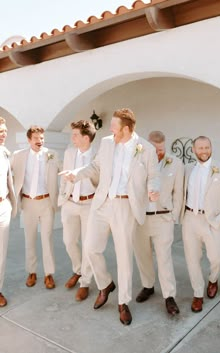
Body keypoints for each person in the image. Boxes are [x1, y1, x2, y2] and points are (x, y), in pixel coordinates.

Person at [60, 108, 160, 325]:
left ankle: (123, 302)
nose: (111, 129)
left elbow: (153, 176)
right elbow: (95, 166)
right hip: (102, 202)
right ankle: (105, 284)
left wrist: (153, 189)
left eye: (115, 126)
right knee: (91, 248)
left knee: (124, 256)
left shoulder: (146, 149)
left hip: (125, 205)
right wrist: (76, 174)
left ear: (126, 128)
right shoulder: (106, 143)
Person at [181, 136, 220, 312]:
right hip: (190, 219)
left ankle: (213, 279)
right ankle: (197, 294)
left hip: (212, 221)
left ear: (211, 148)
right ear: (194, 150)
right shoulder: (187, 169)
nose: (204, 151)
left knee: (218, 257)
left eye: (207, 147)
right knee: (192, 258)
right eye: (200, 148)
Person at [134, 131, 184, 315]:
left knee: (164, 258)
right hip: (140, 218)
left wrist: (173, 216)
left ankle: (169, 296)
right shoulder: (138, 161)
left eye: (161, 149)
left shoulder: (175, 163)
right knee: (142, 255)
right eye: (155, 150)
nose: (158, 153)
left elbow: (179, 193)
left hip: (164, 218)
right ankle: (148, 286)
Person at [11, 126, 61, 289]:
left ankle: (49, 274)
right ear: (29, 140)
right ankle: (32, 272)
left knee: (47, 239)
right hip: (28, 202)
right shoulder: (18, 156)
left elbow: (65, 172)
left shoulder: (52, 155)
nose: (40, 141)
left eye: (42, 138)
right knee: (30, 239)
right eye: (36, 138)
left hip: (46, 202)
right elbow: (5, 172)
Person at [58, 120, 98, 301]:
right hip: (70, 203)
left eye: (75, 134)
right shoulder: (69, 153)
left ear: (86, 137)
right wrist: (63, 197)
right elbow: (64, 178)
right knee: (68, 241)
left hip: (90, 205)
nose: (72, 138)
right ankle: (78, 270)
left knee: (88, 245)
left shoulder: (98, 155)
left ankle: (85, 282)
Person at [0, 117, 17, 307]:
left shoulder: (4, 152)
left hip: (3, 206)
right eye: (0, 131)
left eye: (5, 130)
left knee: (1, 252)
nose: (4, 134)